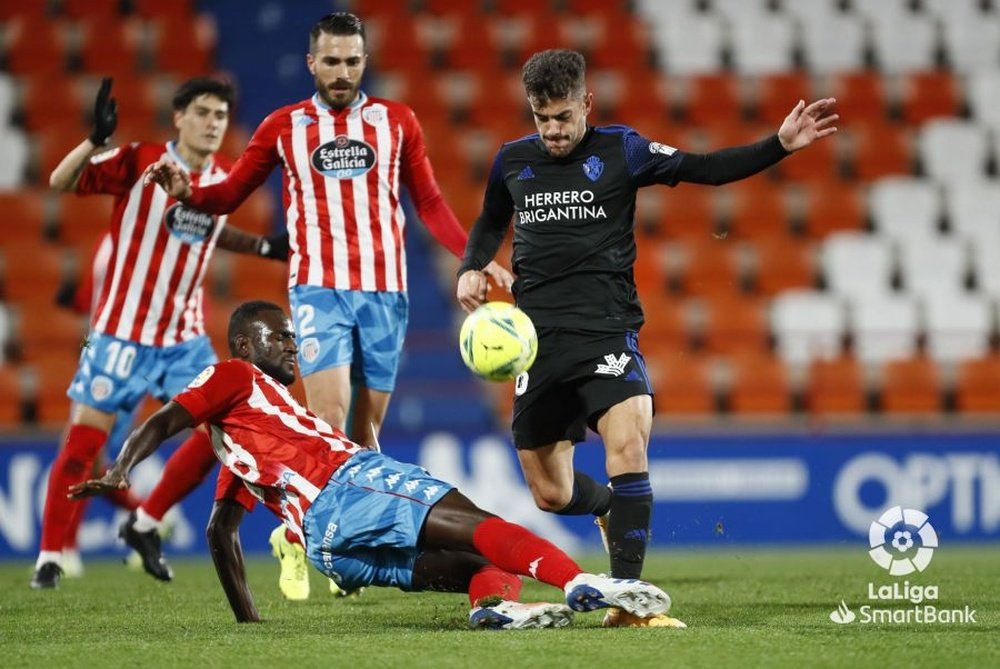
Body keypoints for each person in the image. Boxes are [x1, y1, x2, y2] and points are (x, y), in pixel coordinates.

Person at [455, 49, 838, 628]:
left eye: (563, 116)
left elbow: (702, 168)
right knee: (551, 495)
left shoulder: (622, 149)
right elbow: (488, 221)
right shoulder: (513, 160)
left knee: (629, 448)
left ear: (587, 103)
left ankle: (628, 602)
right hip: (538, 344)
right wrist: (472, 264)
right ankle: (609, 507)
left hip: (607, 332)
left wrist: (777, 145)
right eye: (542, 118)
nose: (553, 131)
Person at [141, 12, 514, 600]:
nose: (342, 72)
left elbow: (431, 203)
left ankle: (357, 544)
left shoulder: (396, 122)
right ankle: (297, 536)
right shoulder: (283, 126)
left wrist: (473, 257)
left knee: (364, 440)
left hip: (387, 294)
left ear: (364, 62)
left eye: (353, 61)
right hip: (318, 290)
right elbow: (231, 191)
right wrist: (192, 192)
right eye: (332, 61)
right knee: (329, 419)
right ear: (312, 62)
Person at [68, 301, 679, 630]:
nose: (290, 344)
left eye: (290, 334)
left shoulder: (243, 442)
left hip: (327, 546)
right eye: (277, 335)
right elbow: (166, 419)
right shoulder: (235, 378)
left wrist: (249, 627)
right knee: (479, 522)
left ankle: (490, 610)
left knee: (483, 566)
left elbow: (220, 530)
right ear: (244, 348)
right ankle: (582, 581)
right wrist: (124, 464)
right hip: (349, 483)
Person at [30, 76, 288, 590]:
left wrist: (263, 249)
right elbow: (61, 181)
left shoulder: (221, 180)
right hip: (119, 334)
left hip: (182, 339)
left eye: (220, 116)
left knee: (227, 431)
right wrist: (94, 141)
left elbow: (210, 228)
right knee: (83, 445)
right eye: (203, 113)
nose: (213, 123)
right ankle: (51, 557)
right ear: (179, 117)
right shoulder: (140, 159)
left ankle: (145, 521)